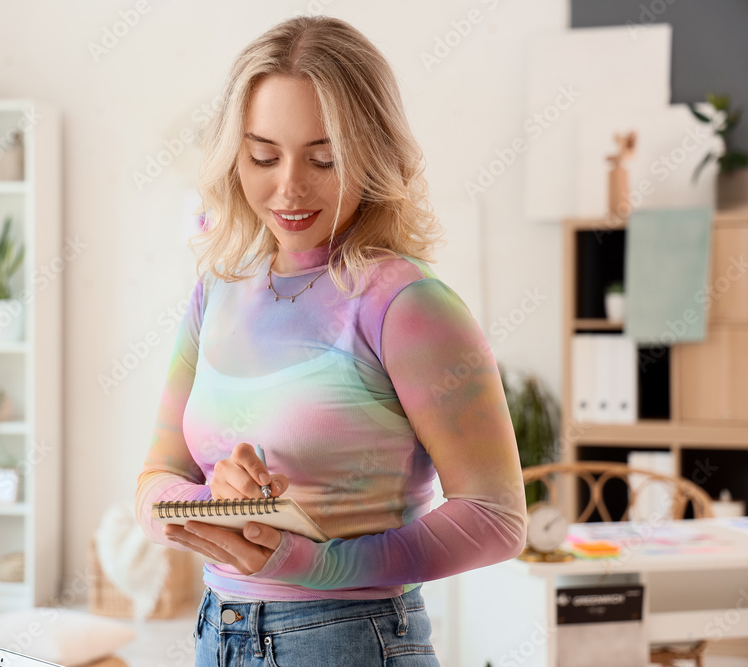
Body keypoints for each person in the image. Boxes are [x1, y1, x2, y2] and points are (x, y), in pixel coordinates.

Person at [135, 15, 527, 666]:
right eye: (263, 155)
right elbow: (153, 486)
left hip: (348, 639)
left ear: (371, 153)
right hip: (217, 633)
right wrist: (219, 501)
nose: (289, 187)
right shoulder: (218, 288)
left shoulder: (406, 305)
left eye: (324, 158)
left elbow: (497, 517)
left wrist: (315, 563)